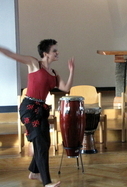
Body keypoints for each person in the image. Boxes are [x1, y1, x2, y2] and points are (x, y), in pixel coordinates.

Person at [0, 39, 75, 187]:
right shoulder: (34, 63)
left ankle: (34, 172)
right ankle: (46, 182)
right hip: (29, 108)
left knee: (45, 142)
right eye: (54, 50)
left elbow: (65, 88)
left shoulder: (54, 73)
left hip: (41, 109)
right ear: (45, 53)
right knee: (40, 143)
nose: (57, 52)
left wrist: (72, 71)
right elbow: (11, 54)